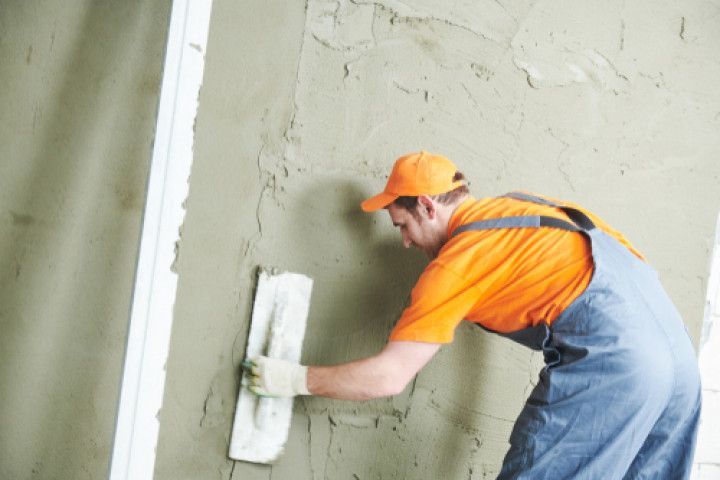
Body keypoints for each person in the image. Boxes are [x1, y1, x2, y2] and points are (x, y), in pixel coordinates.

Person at [246, 151, 701, 479]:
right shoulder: (521, 207)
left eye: (403, 226)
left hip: (620, 362)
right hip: (680, 361)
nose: (404, 242)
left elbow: (387, 379)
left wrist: (290, 379)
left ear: (427, 205)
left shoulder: (459, 259)